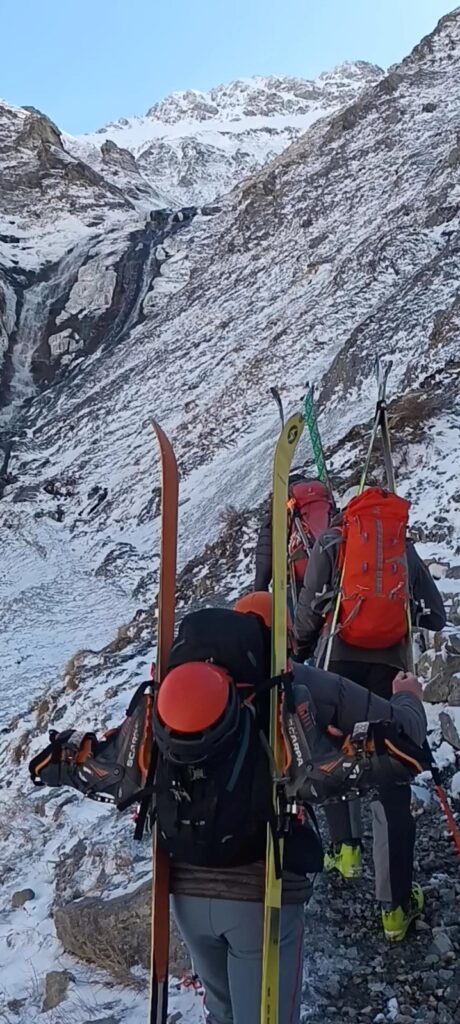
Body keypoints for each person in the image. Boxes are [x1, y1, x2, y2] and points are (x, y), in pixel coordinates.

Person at [294, 487, 446, 931]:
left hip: (337, 667)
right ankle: (395, 909)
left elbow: (306, 614)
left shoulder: (333, 539)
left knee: (334, 756)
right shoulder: (402, 546)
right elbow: (434, 615)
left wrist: (305, 651)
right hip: (391, 672)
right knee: (391, 779)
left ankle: (345, 852)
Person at [254, 474, 333, 597]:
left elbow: (264, 560)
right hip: (333, 564)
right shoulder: (323, 499)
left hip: (300, 580)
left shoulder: (278, 514)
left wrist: (259, 592)